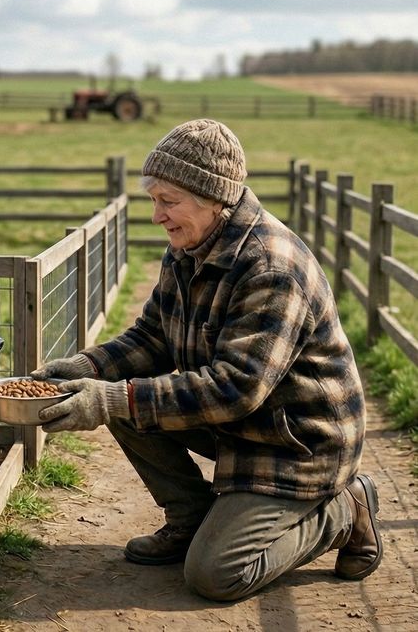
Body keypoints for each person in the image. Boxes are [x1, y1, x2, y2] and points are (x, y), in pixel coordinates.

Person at [32, 118, 381, 601]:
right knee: (124, 399)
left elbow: (236, 388)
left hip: (296, 442)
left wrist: (113, 397)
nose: (157, 216)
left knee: (216, 576)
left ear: (215, 197)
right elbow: (153, 336)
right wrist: (89, 369)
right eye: (153, 199)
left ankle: (345, 510)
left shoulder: (271, 267)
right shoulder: (190, 245)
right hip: (242, 424)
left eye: (168, 201)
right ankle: (190, 520)